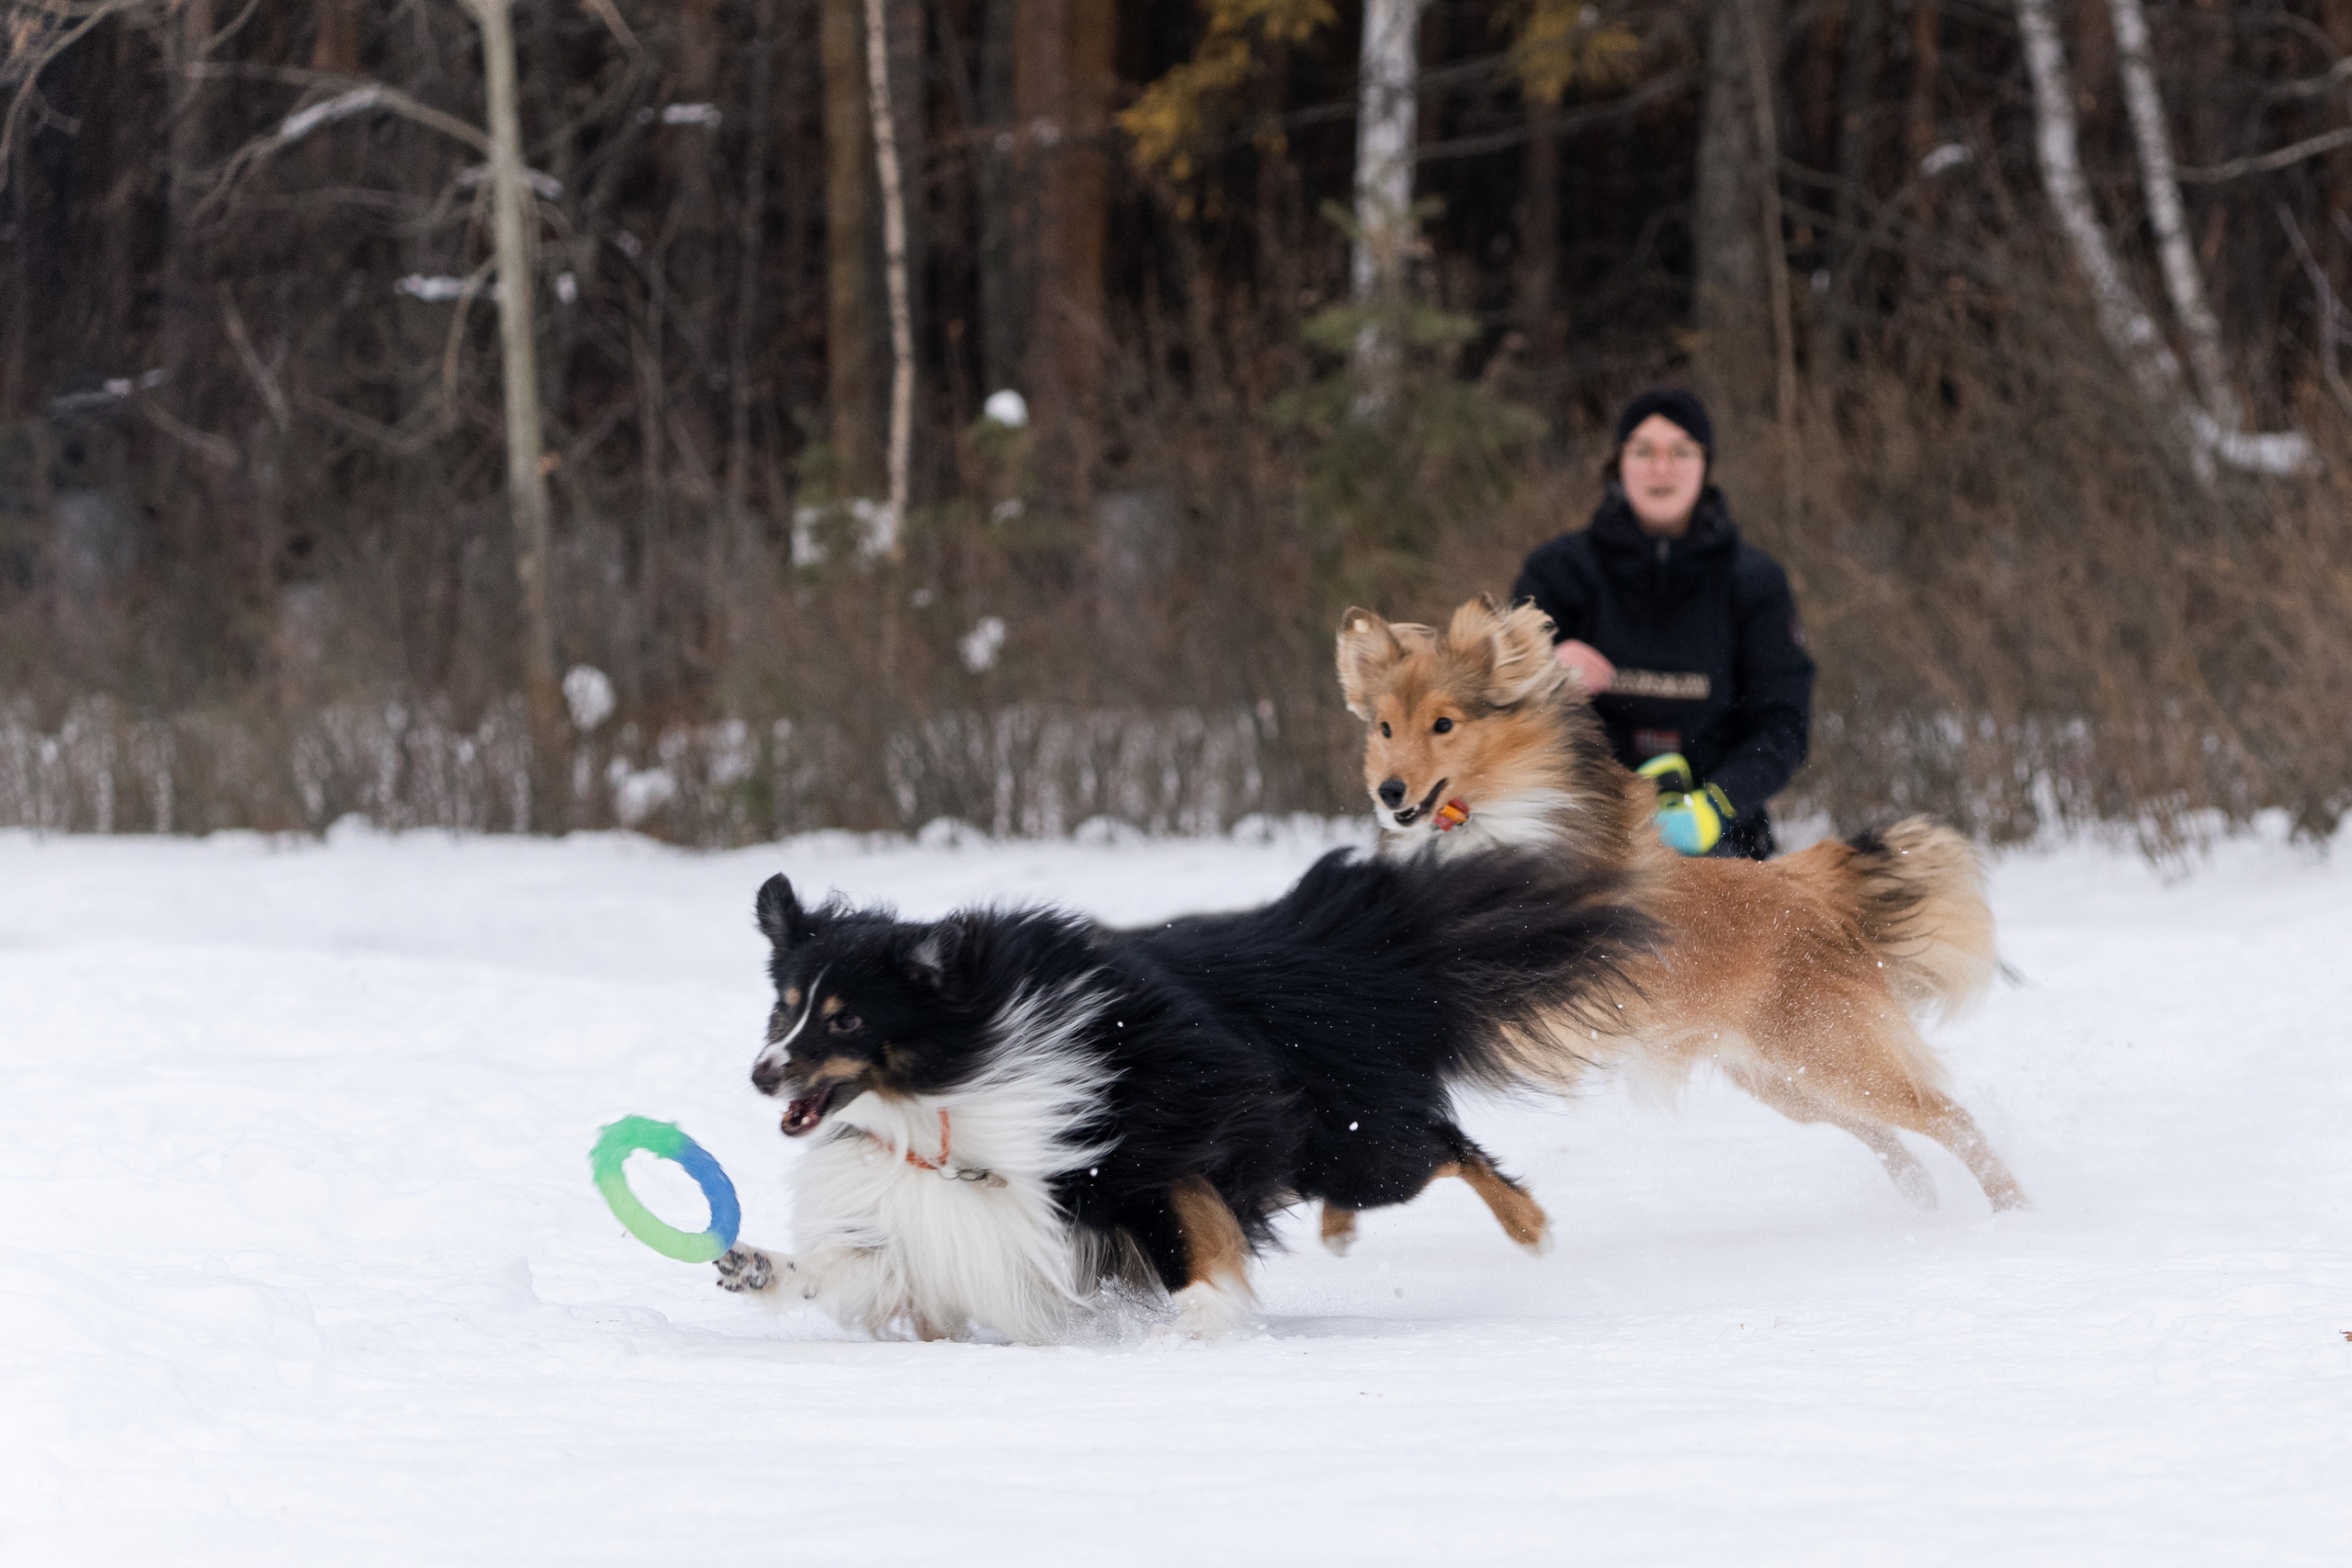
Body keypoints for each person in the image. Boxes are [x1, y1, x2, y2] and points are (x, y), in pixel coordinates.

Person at [1510, 389, 1814, 860]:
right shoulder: (1557, 571)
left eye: (1681, 451)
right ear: (1618, 462)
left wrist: (1716, 805)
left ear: (1705, 463)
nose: (1661, 468)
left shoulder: (1757, 583)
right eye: (1644, 450)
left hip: (1723, 843)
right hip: (1582, 841)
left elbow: (1783, 725)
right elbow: (1493, 700)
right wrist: (1543, 667)